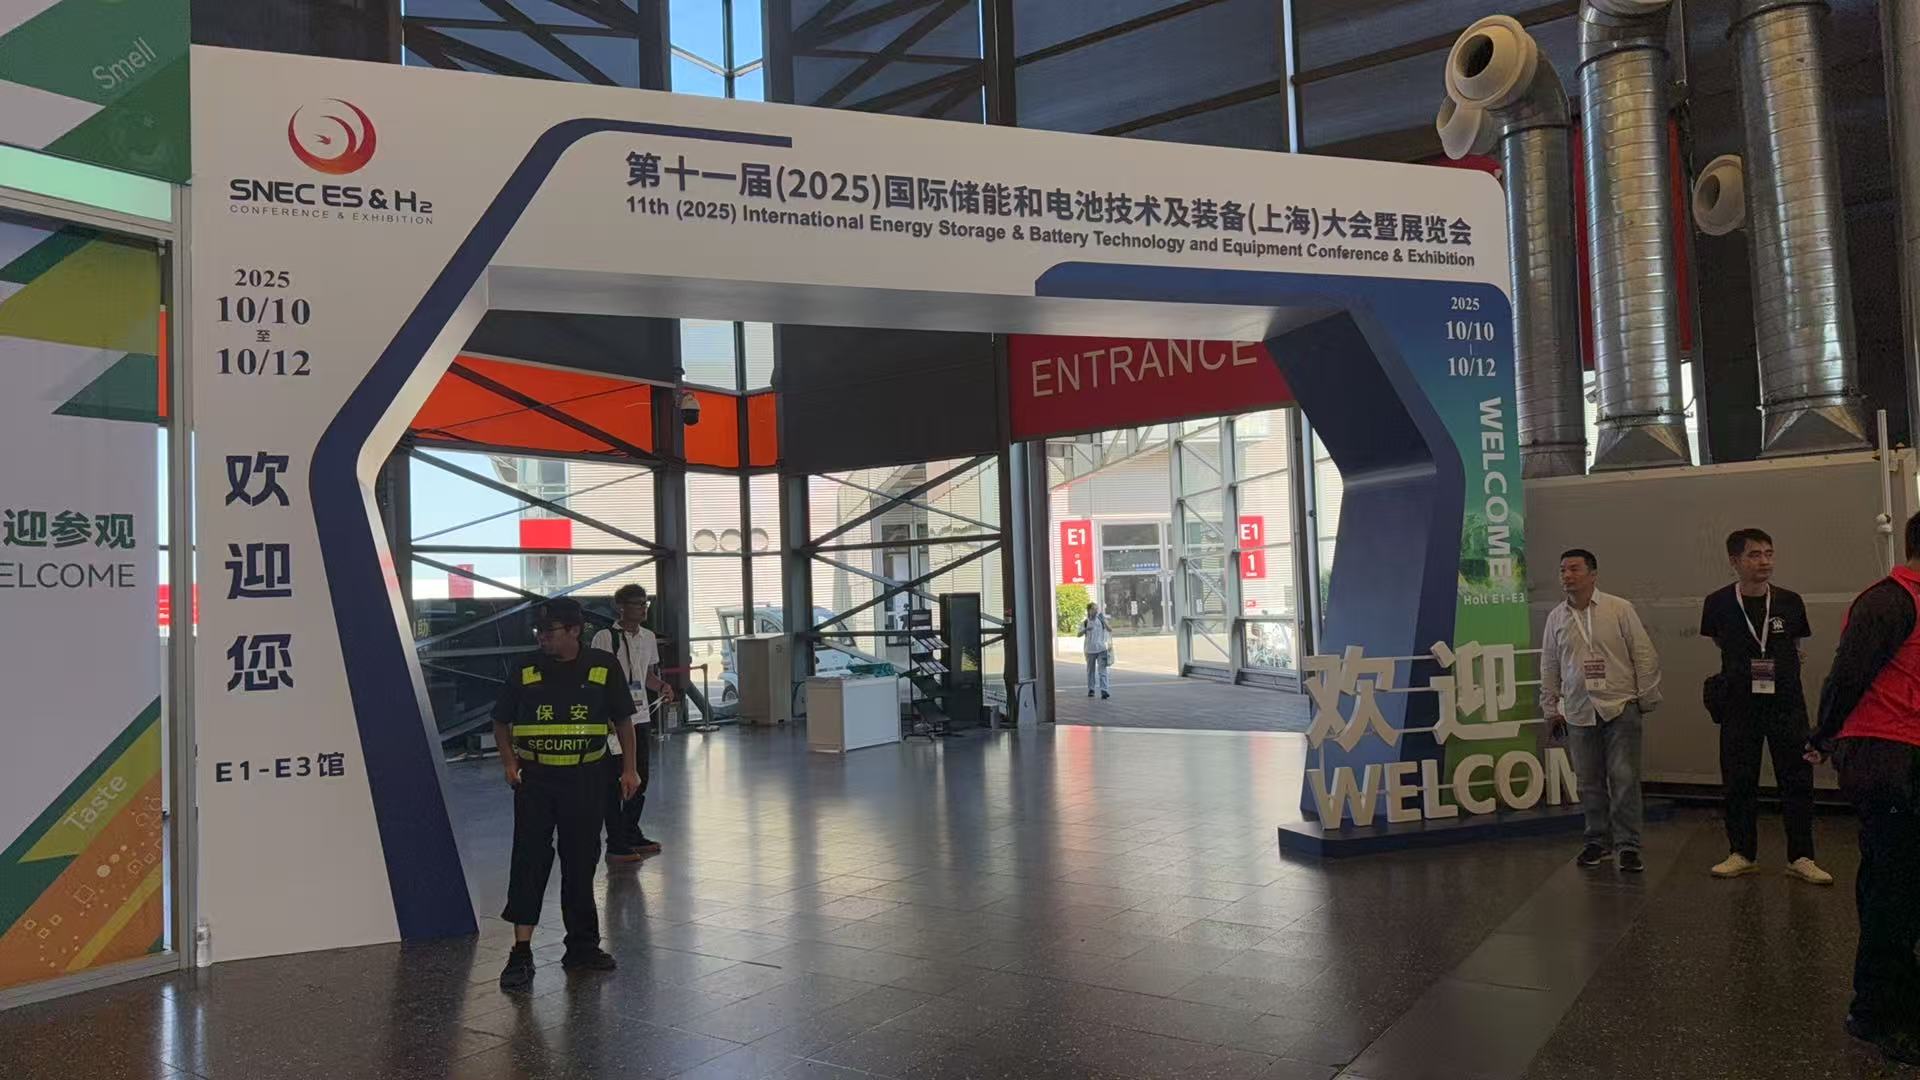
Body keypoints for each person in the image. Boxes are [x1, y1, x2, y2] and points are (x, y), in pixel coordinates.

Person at [1808, 512, 1920, 1066]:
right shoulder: (1888, 601)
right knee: (1894, 890)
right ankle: (1881, 1014)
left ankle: (1888, 1004)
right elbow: (1847, 674)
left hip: (1907, 757)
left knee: (1900, 885)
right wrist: (1823, 734)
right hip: (1887, 757)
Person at [491, 598, 639, 992]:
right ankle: (521, 952)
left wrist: (629, 769)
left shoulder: (602, 667)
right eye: (539, 631)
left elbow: (623, 721)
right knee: (529, 859)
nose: (542, 638)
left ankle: (582, 947)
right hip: (535, 781)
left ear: (575, 630)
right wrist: (509, 763)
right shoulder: (525, 669)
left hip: (586, 777)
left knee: (581, 861)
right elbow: (501, 721)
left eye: (550, 631)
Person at [1698, 528, 1832, 884]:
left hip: (1786, 703)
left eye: (1769, 554)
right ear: (1735, 561)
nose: (1764, 562)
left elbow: (1795, 645)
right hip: (1739, 703)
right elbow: (1719, 641)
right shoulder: (1717, 603)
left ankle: (1801, 856)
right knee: (1738, 779)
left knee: (1796, 778)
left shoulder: (1790, 601)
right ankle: (1742, 853)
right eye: (1755, 555)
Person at [1540, 549, 1662, 873]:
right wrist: (1550, 707)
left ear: (1593, 574)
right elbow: (1550, 665)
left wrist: (1644, 698)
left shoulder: (1619, 608)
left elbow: (1644, 653)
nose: (1567, 575)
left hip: (1620, 705)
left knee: (1624, 778)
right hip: (1578, 709)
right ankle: (1597, 841)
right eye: (1563, 570)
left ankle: (1628, 846)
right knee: (1588, 781)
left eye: (1574, 569)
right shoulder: (1556, 617)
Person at [590, 584, 673, 862]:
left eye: (645, 603)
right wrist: (604, 716)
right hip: (614, 720)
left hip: (640, 717)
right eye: (637, 603)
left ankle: (630, 832)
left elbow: (646, 675)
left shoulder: (648, 637)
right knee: (614, 781)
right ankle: (615, 841)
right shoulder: (605, 637)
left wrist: (662, 686)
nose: (643, 608)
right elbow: (596, 678)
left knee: (640, 777)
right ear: (620, 607)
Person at [1081, 603, 1113, 699]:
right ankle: (1091, 689)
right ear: (1089, 610)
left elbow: (1110, 629)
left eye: (1097, 609)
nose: (1096, 611)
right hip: (1089, 650)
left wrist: (1104, 621)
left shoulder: (1101, 620)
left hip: (1101, 649)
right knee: (1090, 671)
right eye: (1094, 609)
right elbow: (1078, 634)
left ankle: (1104, 690)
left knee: (1102, 671)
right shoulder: (1085, 622)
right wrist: (1086, 629)